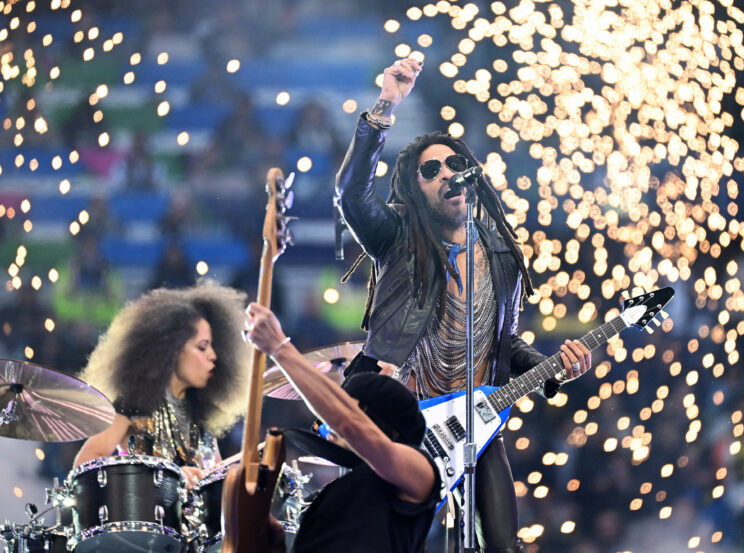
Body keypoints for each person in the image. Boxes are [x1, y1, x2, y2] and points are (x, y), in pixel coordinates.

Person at [334, 57, 594, 553]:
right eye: (431, 170)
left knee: (502, 545)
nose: (448, 174)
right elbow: (351, 196)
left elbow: (505, 342)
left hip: (472, 422)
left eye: (456, 164)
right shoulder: (397, 235)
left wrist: (551, 367)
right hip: (399, 419)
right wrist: (386, 104)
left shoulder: (502, 255)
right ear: (415, 188)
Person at [244, 302, 441, 553]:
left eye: (352, 408)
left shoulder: (420, 471)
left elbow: (350, 424)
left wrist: (279, 347)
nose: (336, 421)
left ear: (389, 427)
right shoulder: (334, 493)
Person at [74, 281, 250, 486]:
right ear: (172, 350)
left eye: (212, 346)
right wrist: (168, 479)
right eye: (202, 347)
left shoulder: (200, 412)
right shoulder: (134, 403)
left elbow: (213, 479)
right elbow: (87, 462)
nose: (213, 356)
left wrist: (230, 478)